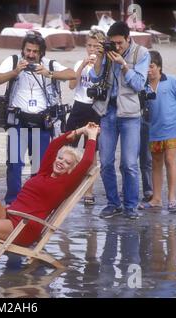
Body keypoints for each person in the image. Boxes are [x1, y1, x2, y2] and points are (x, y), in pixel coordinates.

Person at [0, 31, 75, 205]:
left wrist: (49, 73)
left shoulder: (48, 64)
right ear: (23, 49)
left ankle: (35, 200)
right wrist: (15, 71)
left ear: (41, 53)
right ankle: (12, 201)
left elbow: (72, 74)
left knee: (40, 166)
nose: (30, 55)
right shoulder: (13, 61)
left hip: (42, 123)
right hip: (18, 121)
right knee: (14, 164)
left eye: (35, 52)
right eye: (28, 50)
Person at [89, 21, 150, 220]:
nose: (117, 47)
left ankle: (131, 206)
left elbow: (139, 84)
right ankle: (113, 204)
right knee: (106, 162)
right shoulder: (107, 51)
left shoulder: (141, 53)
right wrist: (99, 58)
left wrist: (123, 65)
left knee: (129, 164)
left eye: (120, 43)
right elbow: (95, 79)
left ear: (128, 39)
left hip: (130, 114)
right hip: (108, 111)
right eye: (112, 43)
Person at [138, 51, 176, 213]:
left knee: (170, 160)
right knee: (156, 163)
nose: (148, 70)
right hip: (153, 130)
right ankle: (157, 199)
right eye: (146, 67)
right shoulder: (142, 85)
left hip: (173, 128)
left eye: (151, 66)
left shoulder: (171, 81)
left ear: (159, 67)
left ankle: (172, 198)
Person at [66, 29, 105, 206]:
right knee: (68, 148)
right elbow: (72, 85)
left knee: (91, 152)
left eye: (96, 46)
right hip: (79, 106)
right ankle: (66, 188)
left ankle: (88, 191)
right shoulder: (79, 63)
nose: (92, 49)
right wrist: (82, 65)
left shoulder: (105, 64)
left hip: (95, 109)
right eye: (89, 45)